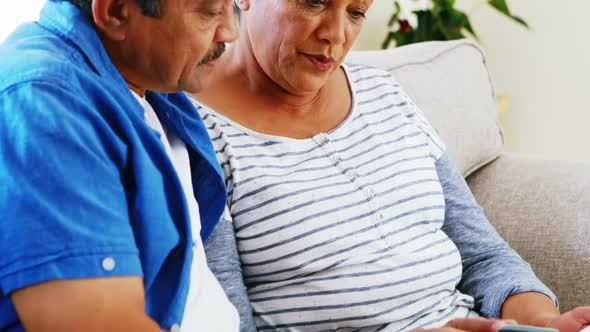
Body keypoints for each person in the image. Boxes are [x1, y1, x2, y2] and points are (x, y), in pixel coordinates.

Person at [191, 0, 590, 331]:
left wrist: (541, 322)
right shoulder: (198, 136)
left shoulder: (384, 94)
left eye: (356, 12)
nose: (336, 34)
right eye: (314, 2)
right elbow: (227, 322)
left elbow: (483, 255)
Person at [0, 0, 241, 330]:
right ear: (115, 13)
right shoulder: (46, 106)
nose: (231, 31)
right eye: (210, 11)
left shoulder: (148, 77)